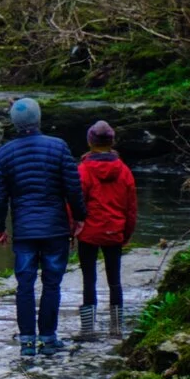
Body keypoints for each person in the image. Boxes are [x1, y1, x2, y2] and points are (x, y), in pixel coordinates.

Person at [0, 97, 85, 358]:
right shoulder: (59, 147)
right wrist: (79, 218)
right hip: (55, 229)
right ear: (39, 119)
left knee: (25, 285)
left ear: (15, 123)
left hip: (25, 231)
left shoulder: (5, 153)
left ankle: (27, 342)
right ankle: (49, 339)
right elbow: (73, 188)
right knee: (52, 284)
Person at [75, 120, 137, 312]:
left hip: (88, 233)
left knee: (88, 279)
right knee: (115, 280)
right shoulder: (124, 171)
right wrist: (126, 234)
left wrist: (72, 229)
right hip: (115, 231)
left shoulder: (83, 170)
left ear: (90, 142)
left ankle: (88, 328)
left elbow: (76, 203)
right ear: (112, 142)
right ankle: (116, 326)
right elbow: (131, 208)